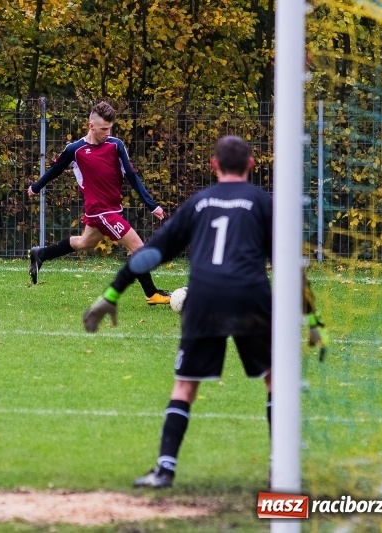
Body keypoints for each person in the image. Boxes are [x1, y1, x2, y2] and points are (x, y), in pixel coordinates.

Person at [83, 135, 274, 489]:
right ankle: (281, 469)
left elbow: (151, 253)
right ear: (251, 165)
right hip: (252, 297)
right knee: (273, 378)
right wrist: (310, 317)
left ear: (213, 166)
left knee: (185, 385)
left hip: (205, 299)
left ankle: (165, 469)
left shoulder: (199, 204)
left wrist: (112, 293)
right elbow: (291, 266)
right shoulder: (264, 203)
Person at [27, 101, 172, 305]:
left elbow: (131, 175)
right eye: (103, 128)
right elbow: (55, 170)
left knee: (85, 243)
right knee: (139, 248)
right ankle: (152, 294)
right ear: (90, 126)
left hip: (112, 208)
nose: (107, 132)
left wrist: (151, 204)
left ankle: (41, 253)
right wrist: (36, 186)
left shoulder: (115, 145)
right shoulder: (75, 150)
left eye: (110, 128)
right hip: (99, 211)